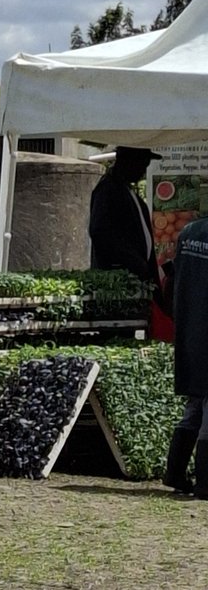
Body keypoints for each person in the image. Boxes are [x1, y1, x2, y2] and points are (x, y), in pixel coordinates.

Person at [88, 145, 166, 332]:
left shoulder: (129, 193)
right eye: (142, 165)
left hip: (137, 279)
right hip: (118, 283)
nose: (143, 171)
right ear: (128, 162)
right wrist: (133, 261)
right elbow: (100, 231)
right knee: (118, 329)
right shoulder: (108, 189)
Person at [162, 212, 208, 497]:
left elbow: (173, 279)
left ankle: (175, 471)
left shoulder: (189, 232)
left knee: (195, 402)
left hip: (191, 328)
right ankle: (206, 482)